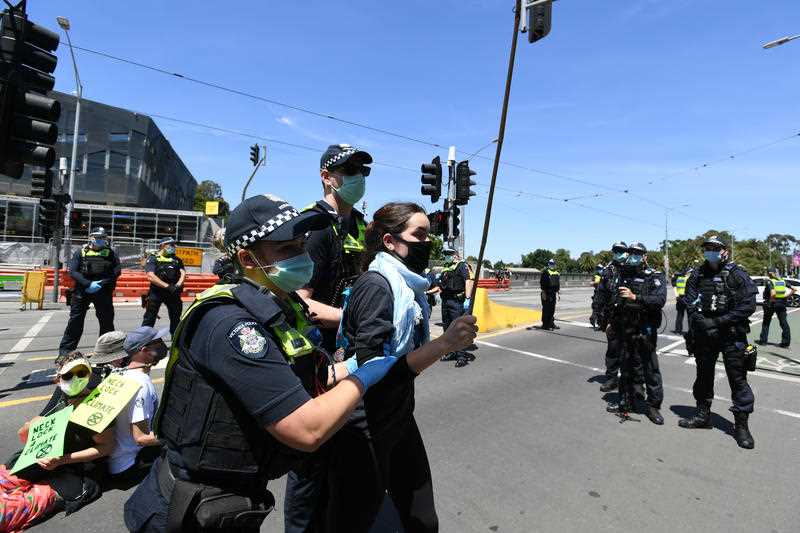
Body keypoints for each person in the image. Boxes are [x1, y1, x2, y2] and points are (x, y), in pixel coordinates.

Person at [124, 195, 401, 533]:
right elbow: (307, 429)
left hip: (227, 503)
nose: (302, 255)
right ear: (246, 257)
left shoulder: (276, 310)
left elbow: (310, 377)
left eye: (302, 244)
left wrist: (362, 363)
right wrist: (364, 378)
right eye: (286, 249)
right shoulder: (233, 324)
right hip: (188, 510)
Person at [325, 202, 478, 533]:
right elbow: (373, 368)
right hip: (364, 424)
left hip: (398, 414)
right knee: (354, 517)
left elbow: (403, 363)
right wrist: (445, 344)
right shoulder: (377, 286)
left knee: (421, 517)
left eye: (428, 235)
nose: (427, 244)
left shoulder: (410, 287)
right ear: (390, 241)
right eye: (418, 235)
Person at [285, 144, 372, 533]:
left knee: (343, 449)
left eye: (362, 170)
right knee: (311, 458)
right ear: (327, 176)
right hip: (314, 350)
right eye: (348, 169)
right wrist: (354, 318)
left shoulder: (358, 225)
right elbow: (299, 302)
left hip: (346, 347)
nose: (357, 176)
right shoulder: (312, 225)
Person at [0, 352, 115, 531]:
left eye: (81, 373)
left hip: (77, 472)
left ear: (89, 373)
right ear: (58, 379)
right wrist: (30, 426)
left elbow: (107, 446)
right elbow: (25, 435)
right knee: (3, 480)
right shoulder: (62, 392)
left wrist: (63, 460)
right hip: (44, 458)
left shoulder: (97, 403)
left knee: (12, 508)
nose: (75, 379)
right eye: (69, 375)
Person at [679, 236, 758, 448]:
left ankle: (741, 427)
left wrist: (718, 321)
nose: (710, 251)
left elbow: (748, 305)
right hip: (705, 335)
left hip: (731, 335)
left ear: (725, 251)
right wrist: (701, 322)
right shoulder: (697, 274)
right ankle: (703, 416)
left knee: (737, 379)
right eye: (707, 248)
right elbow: (689, 300)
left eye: (715, 248)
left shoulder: (736, 274)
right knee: (703, 376)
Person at [602, 243, 666, 424]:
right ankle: (625, 402)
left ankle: (653, 407)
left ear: (645, 256)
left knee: (650, 368)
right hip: (625, 328)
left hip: (645, 329)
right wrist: (610, 323)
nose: (634, 256)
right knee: (626, 367)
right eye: (631, 253)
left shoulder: (654, 275)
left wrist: (635, 297)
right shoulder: (623, 275)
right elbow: (614, 300)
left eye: (638, 253)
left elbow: (659, 300)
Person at [101, 327, 166, 489]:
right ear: (145, 350)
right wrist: (177, 437)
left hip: (113, 460)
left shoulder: (118, 375)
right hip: (129, 465)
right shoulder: (141, 385)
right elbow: (141, 438)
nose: (163, 345)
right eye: (158, 342)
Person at [58, 227, 122, 356]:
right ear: (91, 238)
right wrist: (88, 284)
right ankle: (65, 352)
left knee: (107, 322)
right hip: (82, 290)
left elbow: (116, 271)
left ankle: (107, 351)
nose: (101, 240)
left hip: (103, 290)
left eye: (103, 237)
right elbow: (73, 271)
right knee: (75, 322)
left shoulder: (110, 253)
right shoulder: (81, 252)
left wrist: (102, 283)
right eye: (98, 237)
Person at [595, 242, 629, 393]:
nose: (618, 254)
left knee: (630, 350)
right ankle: (611, 378)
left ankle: (629, 380)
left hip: (631, 316)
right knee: (613, 348)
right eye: (615, 251)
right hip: (613, 316)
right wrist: (596, 311)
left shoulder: (633, 268)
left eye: (621, 251)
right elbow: (601, 292)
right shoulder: (608, 270)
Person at [438, 249, 475, 367]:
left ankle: (461, 356)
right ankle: (451, 352)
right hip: (446, 301)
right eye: (445, 255)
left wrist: (468, 298)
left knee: (458, 329)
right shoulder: (446, 268)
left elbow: (468, 281)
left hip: (456, 301)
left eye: (448, 255)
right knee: (447, 328)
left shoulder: (462, 266)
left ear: (455, 256)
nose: (446, 257)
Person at [142, 237, 186, 336]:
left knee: (176, 318)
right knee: (149, 318)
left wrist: (177, 285)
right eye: (171, 245)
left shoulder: (177, 259)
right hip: (156, 293)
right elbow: (150, 276)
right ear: (162, 246)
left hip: (173, 292)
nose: (174, 247)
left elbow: (183, 273)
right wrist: (167, 286)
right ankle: (142, 342)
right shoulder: (153, 257)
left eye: (174, 245)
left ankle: (176, 344)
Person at [756, 266, 793, 348]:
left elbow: (772, 293)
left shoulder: (770, 281)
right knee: (784, 323)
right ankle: (785, 343)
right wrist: (785, 297)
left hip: (772, 303)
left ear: (770, 273)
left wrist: (771, 300)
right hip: (782, 303)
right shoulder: (782, 281)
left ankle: (763, 341)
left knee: (766, 322)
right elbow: (793, 290)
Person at [540, 258, 560, 330]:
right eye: (550, 263)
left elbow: (557, 284)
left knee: (552, 309)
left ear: (555, 265)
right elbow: (542, 284)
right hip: (546, 293)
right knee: (546, 309)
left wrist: (558, 293)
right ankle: (545, 325)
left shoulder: (556, 272)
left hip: (553, 293)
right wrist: (544, 293)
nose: (552, 265)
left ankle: (551, 323)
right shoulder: (545, 272)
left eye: (553, 264)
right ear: (548, 264)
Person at [590, 263, 604, 330]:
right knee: (595, 307)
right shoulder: (595, 275)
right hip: (596, 293)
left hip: (603, 294)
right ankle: (593, 320)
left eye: (600, 268)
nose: (599, 270)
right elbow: (591, 283)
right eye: (598, 268)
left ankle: (600, 323)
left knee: (601, 309)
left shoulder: (605, 275)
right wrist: (596, 282)